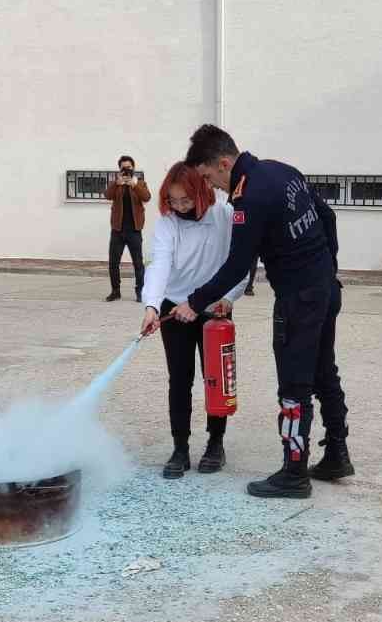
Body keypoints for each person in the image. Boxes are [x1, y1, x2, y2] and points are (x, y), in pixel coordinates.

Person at [179, 125, 349, 498]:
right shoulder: (282, 170)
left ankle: (294, 473)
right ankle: (337, 453)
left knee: (294, 385)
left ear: (224, 163)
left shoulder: (249, 197)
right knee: (324, 372)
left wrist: (193, 303)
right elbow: (328, 217)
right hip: (324, 288)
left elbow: (238, 267)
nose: (215, 187)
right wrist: (327, 269)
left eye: (210, 177)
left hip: (298, 299)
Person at [139, 163, 250, 478]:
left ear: (201, 192)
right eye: (173, 201)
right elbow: (159, 264)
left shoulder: (224, 216)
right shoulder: (168, 224)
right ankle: (180, 447)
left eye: (185, 200)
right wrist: (151, 305)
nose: (179, 207)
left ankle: (216, 443)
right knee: (179, 378)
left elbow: (240, 261)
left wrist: (229, 299)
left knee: (215, 378)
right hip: (175, 307)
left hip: (215, 307)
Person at [103, 155, 149, 302]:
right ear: (120, 169)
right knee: (113, 262)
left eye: (129, 167)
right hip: (117, 229)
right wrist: (117, 184)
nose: (127, 170)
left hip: (135, 230)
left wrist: (134, 184)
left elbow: (147, 197)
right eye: (124, 167)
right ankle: (115, 291)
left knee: (138, 263)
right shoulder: (116, 184)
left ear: (133, 168)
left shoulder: (139, 183)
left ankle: (140, 291)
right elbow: (107, 196)